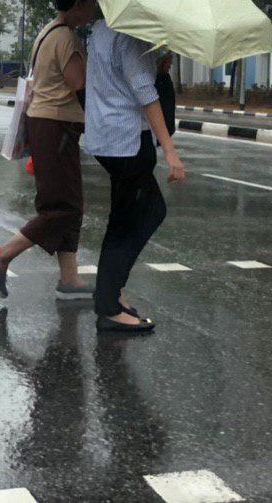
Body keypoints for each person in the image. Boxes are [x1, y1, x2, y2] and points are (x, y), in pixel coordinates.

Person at [0, 0, 98, 302]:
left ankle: (70, 279)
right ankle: (2, 255)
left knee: (69, 205)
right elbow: (79, 83)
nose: (94, 8)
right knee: (61, 207)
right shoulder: (66, 38)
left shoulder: (49, 31)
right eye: (92, 2)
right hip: (56, 125)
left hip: (48, 125)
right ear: (78, 3)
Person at [81, 20, 186, 333]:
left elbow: (119, 79)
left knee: (125, 219)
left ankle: (111, 295)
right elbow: (145, 95)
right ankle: (109, 307)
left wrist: (155, 66)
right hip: (127, 140)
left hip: (107, 136)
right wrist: (170, 150)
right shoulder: (131, 36)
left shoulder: (100, 29)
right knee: (144, 215)